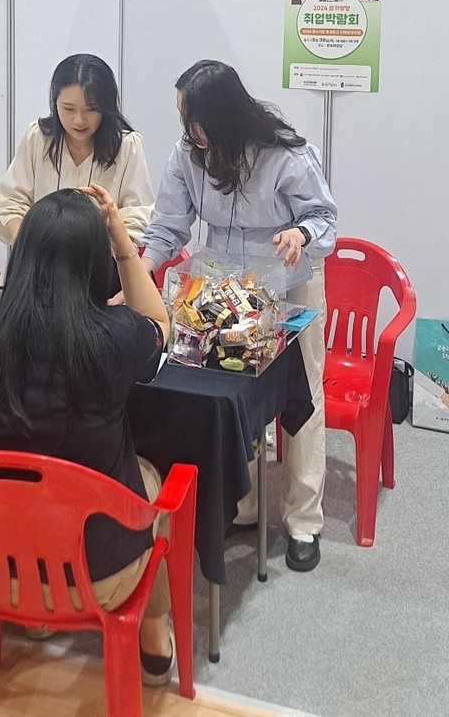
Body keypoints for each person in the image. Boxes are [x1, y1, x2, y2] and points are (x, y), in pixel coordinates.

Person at [0, 184, 177, 685]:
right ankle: (153, 637)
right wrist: (122, 240)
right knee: (151, 482)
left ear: (21, 256)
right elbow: (157, 321)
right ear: (94, 264)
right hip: (94, 577)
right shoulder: (115, 337)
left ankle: (32, 616)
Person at [140, 60, 337, 572]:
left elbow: (324, 218)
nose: (189, 131)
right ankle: (244, 506)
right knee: (232, 392)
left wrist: (301, 234)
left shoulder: (285, 154)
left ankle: (303, 521)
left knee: (301, 397)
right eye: (184, 119)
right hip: (224, 289)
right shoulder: (188, 154)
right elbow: (167, 226)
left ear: (225, 116)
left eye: (196, 120)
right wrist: (138, 273)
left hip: (289, 283)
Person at [0, 53, 154, 248]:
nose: (79, 120)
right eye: (69, 109)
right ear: (55, 103)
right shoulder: (38, 137)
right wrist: (31, 250)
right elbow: (11, 203)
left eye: (91, 109)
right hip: (41, 258)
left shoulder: (127, 146)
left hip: (103, 260)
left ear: (106, 107)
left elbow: (137, 217)